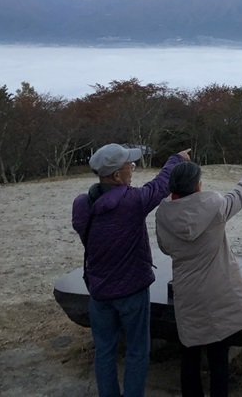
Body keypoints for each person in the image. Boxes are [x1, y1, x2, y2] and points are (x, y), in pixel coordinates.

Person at [72, 143, 191, 397]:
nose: (133, 168)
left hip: (99, 292)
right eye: (130, 165)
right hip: (132, 292)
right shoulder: (131, 202)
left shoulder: (82, 205)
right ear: (116, 175)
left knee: (104, 351)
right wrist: (176, 158)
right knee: (137, 350)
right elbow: (160, 186)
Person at [155, 161, 242, 397]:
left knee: (189, 355)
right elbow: (241, 193)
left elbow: (165, 248)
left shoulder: (163, 214)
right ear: (198, 186)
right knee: (218, 358)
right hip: (218, 292)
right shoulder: (215, 207)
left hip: (187, 293)